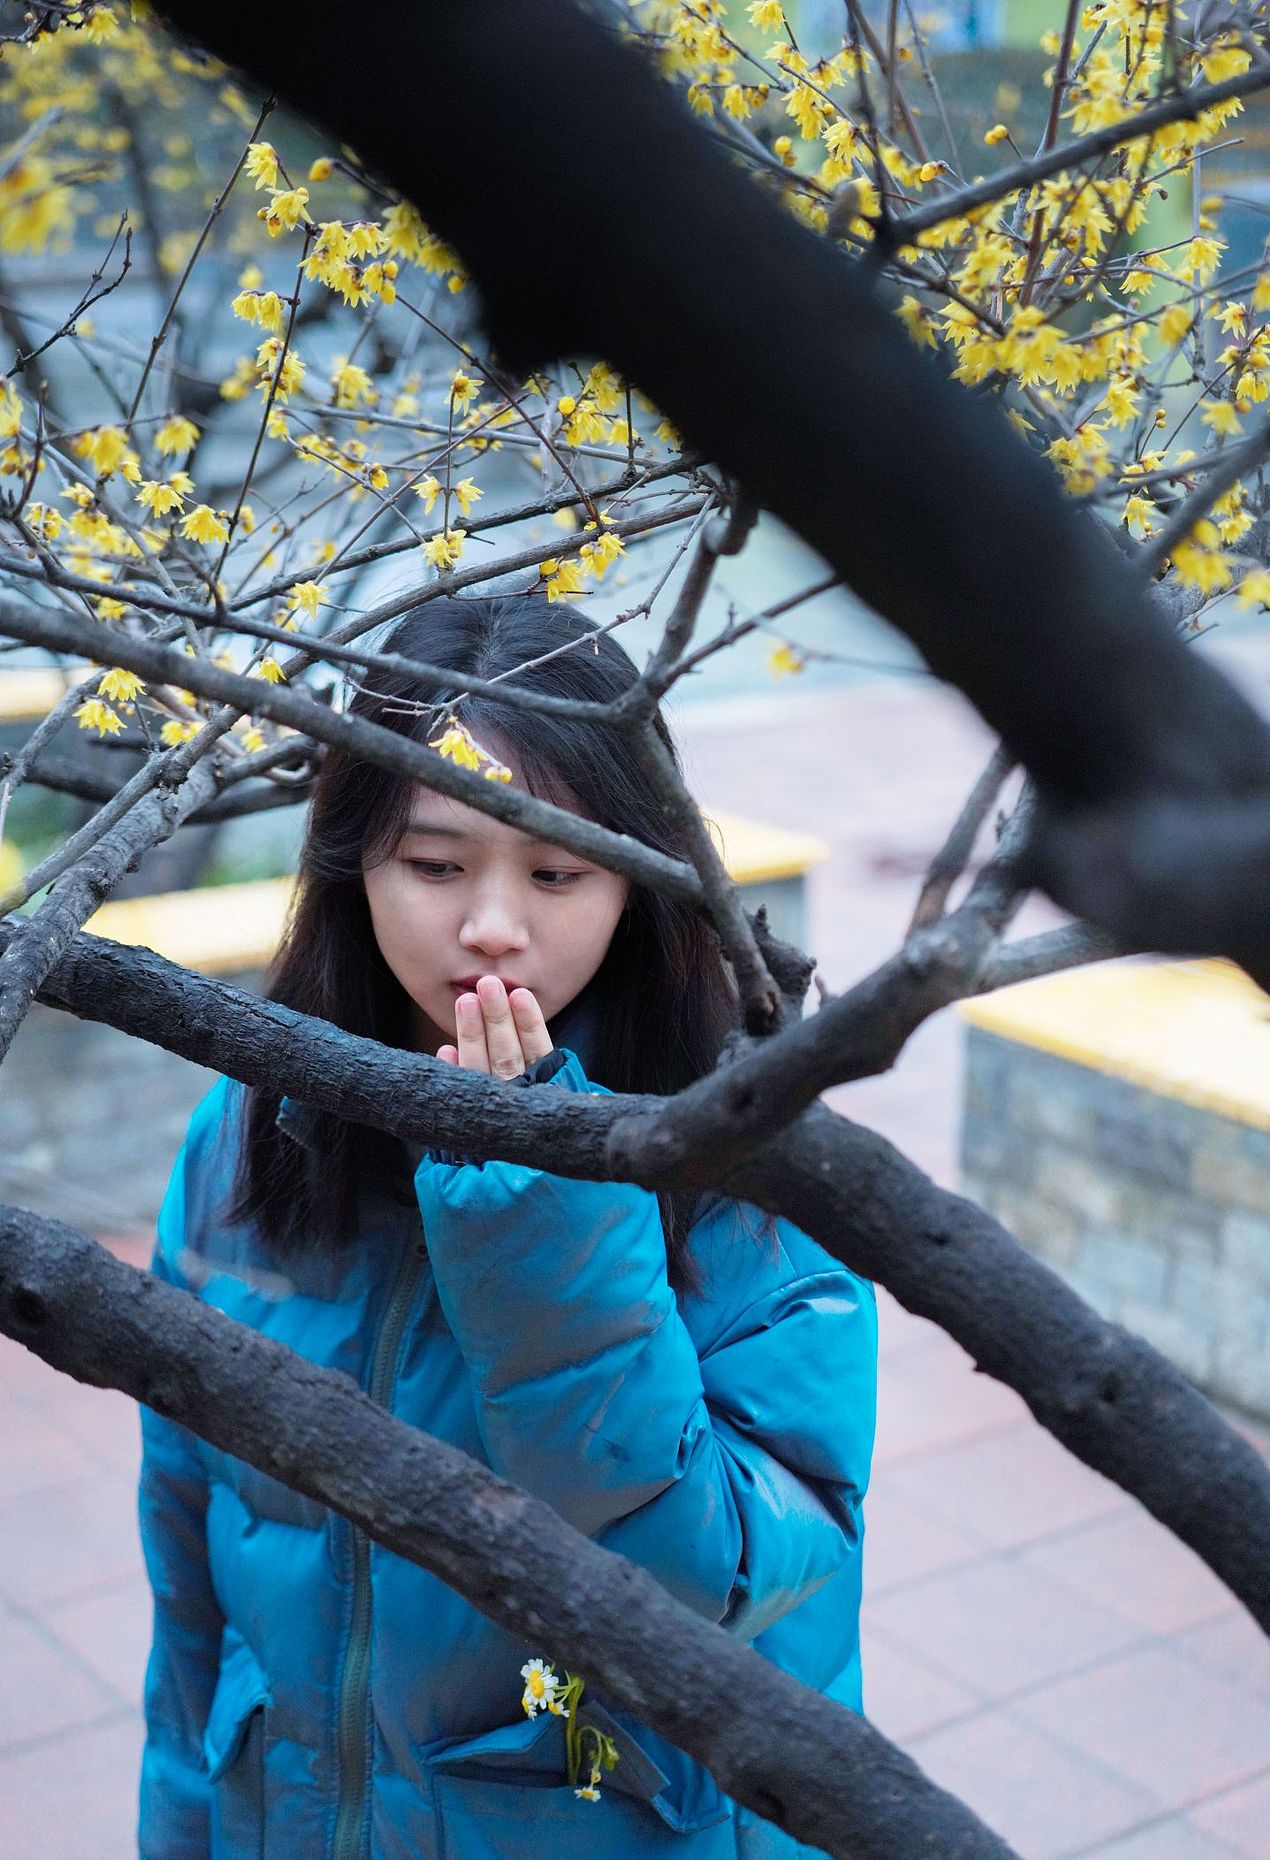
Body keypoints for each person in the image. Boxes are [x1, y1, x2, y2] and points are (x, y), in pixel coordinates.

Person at [137, 594, 879, 1859]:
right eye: (433, 866)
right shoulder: (253, 1132)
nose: (492, 925)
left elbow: (729, 1587)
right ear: (348, 862)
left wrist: (540, 1219)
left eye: (555, 871)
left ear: (640, 882)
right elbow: (190, 1576)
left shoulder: (748, 1165)